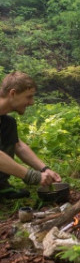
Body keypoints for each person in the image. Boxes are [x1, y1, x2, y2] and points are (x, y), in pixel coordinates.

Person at [0, 72, 61, 200]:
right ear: (13, 93)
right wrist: (31, 176)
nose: (32, 102)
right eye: (28, 97)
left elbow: (18, 146)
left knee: (9, 124)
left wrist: (44, 169)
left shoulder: (5, 121)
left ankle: (1, 186)